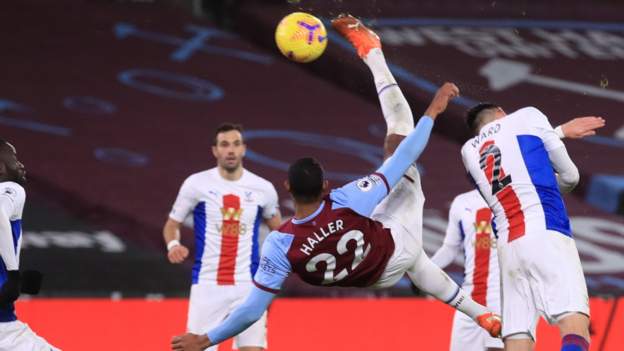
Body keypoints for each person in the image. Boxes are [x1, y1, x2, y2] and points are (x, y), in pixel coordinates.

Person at [171, 15, 501, 351]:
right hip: (393, 246)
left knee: (417, 263)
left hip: (374, 278)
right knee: (398, 141)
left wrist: (205, 339)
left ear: (287, 187)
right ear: (326, 186)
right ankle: (372, 52)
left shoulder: (279, 244)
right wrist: (433, 110)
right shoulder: (345, 201)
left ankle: (481, 315)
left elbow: (253, 310)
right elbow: (406, 156)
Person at [432, 117, 606, 351]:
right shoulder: (463, 203)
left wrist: (560, 131)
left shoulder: (506, 190)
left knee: (518, 340)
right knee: (571, 322)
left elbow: (512, 148)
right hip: (472, 302)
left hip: (502, 286)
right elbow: (449, 248)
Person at [163, 123, 282, 351]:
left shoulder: (263, 188)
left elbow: (279, 233)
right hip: (208, 285)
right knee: (196, 346)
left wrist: (271, 276)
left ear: (244, 149)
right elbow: (172, 224)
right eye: (224, 145)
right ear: (215, 151)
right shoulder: (196, 184)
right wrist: (173, 244)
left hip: (248, 286)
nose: (230, 150)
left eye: (236, 144)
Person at [0, 140, 60, 350]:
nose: (21, 165)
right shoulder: (10, 188)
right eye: (15, 159)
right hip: (5, 333)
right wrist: (13, 274)